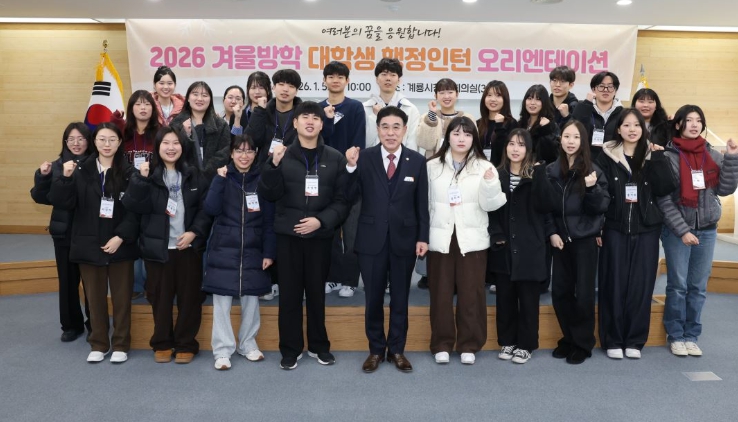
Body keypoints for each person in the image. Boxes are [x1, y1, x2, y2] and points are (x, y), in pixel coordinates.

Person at [258, 101, 350, 370]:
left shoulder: (335, 157)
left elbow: (342, 201)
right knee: (289, 295)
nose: (310, 121)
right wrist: (272, 165)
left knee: (317, 294)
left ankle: (319, 346)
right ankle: (290, 349)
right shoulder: (281, 155)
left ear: (322, 124)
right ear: (296, 123)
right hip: (288, 237)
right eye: (304, 117)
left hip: (320, 237)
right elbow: (268, 194)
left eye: (315, 118)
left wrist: (320, 221)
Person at [344, 106, 429, 372]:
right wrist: (350, 167)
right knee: (373, 299)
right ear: (378, 129)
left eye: (396, 127)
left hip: (405, 240)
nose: (390, 133)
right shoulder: (364, 158)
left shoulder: (417, 160)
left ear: (405, 130)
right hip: (371, 240)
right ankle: (375, 350)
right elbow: (348, 196)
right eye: (385, 127)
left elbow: (422, 204)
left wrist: (423, 237)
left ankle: (397, 350)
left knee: (400, 299)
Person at [49, 122, 139, 364]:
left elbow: (135, 211)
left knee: (121, 299)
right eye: (102, 139)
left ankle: (120, 344)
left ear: (119, 143)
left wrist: (121, 237)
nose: (107, 144)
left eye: (112, 139)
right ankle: (98, 343)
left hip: (120, 244)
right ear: (94, 142)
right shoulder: (79, 170)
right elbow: (62, 202)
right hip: (88, 244)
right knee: (95, 299)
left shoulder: (129, 172)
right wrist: (65, 179)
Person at [123, 126, 212, 364]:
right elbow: (133, 205)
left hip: (188, 249)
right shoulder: (148, 175)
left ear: (183, 147)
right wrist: (140, 179)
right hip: (158, 249)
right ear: (157, 147)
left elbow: (206, 210)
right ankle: (162, 342)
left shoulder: (194, 175)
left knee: (189, 299)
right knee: (160, 299)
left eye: (176, 143)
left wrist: (194, 233)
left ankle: (186, 344)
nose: (171, 148)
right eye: (166, 143)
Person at [656, 105, 738, 357]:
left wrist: (731, 158)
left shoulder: (712, 153)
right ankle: (675, 335)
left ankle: (692, 335)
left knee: (698, 287)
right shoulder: (667, 156)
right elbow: (664, 200)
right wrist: (683, 230)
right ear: (678, 124)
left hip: (707, 230)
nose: (694, 124)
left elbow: (724, 189)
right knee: (678, 285)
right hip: (677, 231)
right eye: (688, 120)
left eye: (698, 120)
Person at [596, 108, 676, 359]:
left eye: (637, 125)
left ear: (644, 129)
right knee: (613, 284)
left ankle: (634, 340)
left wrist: (657, 158)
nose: (632, 129)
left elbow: (666, 187)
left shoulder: (652, 155)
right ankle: (612, 339)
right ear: (618, 129)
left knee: (641, 286)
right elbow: (598, 193)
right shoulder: (605, 155)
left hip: (647, 229)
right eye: (627, 125)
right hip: (614, 228)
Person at [427, 116, 507, 365]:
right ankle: (441, 343)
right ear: (448, 136)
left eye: (467, 134)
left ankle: (469, 344)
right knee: (440, 294)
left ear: (474, 139)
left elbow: (491, 205)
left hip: (472, 240)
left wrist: (491, 183)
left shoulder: (484, 166)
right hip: (440, 238)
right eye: (456, 133)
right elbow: (423, 205)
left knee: (471, 294)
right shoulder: (432, 166)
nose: (461, 139)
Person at [202, 135, 276, 370]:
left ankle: (248, 344)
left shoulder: (262, 180)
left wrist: (269, 252)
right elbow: (210, 208)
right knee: (222, 302)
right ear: (231, 154)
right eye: (239, 151)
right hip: (224, 248)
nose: (244, 156)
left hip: (254, 249)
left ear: (256, 154)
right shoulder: (222, 177)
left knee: (251, 300)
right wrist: (219, 180)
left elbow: (269, 220)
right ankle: (222, 350)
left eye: (249, 151)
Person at [544, 120, 610, 365]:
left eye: (576, 137)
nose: (570, 141)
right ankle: (568, 338)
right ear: (560, 139)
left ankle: (582, 343)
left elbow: (601, 207)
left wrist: (592, 188)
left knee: (583, 295)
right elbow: (545, 207)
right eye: (566, 136)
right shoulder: (551, 170)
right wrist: (552, 233)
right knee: (560, 292)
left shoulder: (593, 170)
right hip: (560, 240)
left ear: (583, 141)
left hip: (584, 240)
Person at [488, 128, 553, 364]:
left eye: (521, 144)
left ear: (528, 149)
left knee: (528, 301)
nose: (515, 149)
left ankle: (526, 345)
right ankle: (507, 341)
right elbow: (490, 210)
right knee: (504, 299)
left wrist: (541, 174)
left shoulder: (537, 174)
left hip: (530, 248)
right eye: (511, 144)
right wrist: (497, 235)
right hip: (504, 246)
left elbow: (546, 205)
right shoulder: (496, 175)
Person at [30, 122, 92, 342]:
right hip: (64, 232)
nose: (76, 143)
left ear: (88, 141)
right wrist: (43, 176)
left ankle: (94, 324)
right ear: (65, 142)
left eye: (81, 139)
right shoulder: (56, 166)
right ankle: (71, 325)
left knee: (92, 282)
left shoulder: (96, 165)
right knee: (67, 282)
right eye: (71, 139)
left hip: (90, 233)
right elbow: (41, 197)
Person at [318, 61, 367, 297]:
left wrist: (351, 165)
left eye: (340, 77)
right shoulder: (317, 109)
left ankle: (350, 280)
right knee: (328, 231)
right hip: (325, 179)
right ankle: (333, 277)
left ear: (347, 81)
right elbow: (317, 142)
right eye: (331, 76)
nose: (335, 80)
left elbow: (358, 142)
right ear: (324, 80)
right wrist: (326, 120)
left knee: (352, 232)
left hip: (351, 177)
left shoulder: (355, 107)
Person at [122, 89, 161, 300]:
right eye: (138, 104)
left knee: (150, 238)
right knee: (131, 237)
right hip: (128, 193)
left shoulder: (160, 132)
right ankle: (135, 283)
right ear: (131, 108)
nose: (143, 108)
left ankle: (150, 282)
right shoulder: (123, 133)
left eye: (147, 104)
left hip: (153, 192)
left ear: (153, 108)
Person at [245, 69, 307, 167]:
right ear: (273, 87)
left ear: (296, 91)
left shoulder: (304, 115)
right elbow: (251, 141)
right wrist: (260, 111)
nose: (285, 89)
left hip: (294, 167)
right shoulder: (262, 112)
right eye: (281, 84)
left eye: (291, 86)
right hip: (265, 168)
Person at [170, 81, 231, 180]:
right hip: (184, 179)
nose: (199, 99)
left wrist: (206, 173)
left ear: (210, 99)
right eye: (195, 94)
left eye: (204, 95)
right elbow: (172, 151)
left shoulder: (221, 125)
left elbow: (224, 153)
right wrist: (185, 134)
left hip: (213, 179)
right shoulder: (176, 123)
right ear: (188, 98)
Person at [363, 58, 420, 152]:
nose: (388, 78)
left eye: (393, 75)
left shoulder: (411, 109)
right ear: (377, 79)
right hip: (372, 159)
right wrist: (374, 117)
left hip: (402, 159)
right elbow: (365, 142)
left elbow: (412, 143)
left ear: (399, 80)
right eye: (384, 74)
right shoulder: (364, 108)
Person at [417, 78, 476, 159]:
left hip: (461, 163)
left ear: (457, 94)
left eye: (450, 92)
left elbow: (474, 145)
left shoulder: (468, 118)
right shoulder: (427, 117)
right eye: (442, 93)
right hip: (433, 163)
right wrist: (432, 115)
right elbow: (425, 144)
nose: (446, 96)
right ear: (435, 96)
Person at [571, 71, 624, 160]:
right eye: (601, 86)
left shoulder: (623, 113)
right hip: (585, 160)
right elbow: (574, 130)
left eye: (610, 86)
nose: (606, 90)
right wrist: (587, 104)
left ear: (615, 90)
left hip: (613, 160)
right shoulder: (582, 107)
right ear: (593, 89)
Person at [476, 80, 518, 167]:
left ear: (505, 99)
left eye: (498, 95)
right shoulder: (478, 123)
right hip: (480, 169)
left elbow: (508, 150)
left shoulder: (512, 123)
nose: (493, 99)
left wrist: (499, 126)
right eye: (489, 95)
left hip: (502, 170)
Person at [519, 84, 560, 164]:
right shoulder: (520, 124)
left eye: (538, 99)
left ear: (544, 103)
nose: (532, 103)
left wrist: (545, 130)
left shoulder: (550, 126)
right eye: (529, 98)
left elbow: (553, 155)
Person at [230, 71, 273, 137]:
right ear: (248, 90)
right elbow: (234, 141)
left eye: (261, 88)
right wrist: (237, 119)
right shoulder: (237, 115)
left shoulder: (274, 114)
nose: (257, 92)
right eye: (253, 88)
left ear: (268, 90)